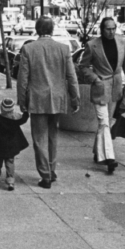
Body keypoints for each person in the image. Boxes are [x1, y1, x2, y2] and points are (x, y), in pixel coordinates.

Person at [17, 15, 80, 188]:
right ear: (52, 30)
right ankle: (51, 170)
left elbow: (23, 79)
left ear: (37, 30)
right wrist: (75, 98)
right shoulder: (63, 49)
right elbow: (71, 76)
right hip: (57, 98)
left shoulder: (29, 49)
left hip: (37, 99)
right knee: (53, 136)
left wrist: (22, 101)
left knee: (39, 138)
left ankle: (45, 174)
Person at [78, 16, 125, 175]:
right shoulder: (92, 45)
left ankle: (98, 153)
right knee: (104, 122)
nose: (111, 31)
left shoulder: (122, 42)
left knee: (106, 123)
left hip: (115, 88)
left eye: (113, 28)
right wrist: (95, 79)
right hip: (100, 87)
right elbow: (83, 67)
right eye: (108, 29)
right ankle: (110, 158)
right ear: (102, 30)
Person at [0, 98, 29, 191]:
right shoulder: (16, 119)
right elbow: (24, 118)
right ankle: (10, 181)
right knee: (10, 162)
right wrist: (26, 111)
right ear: (12, 109)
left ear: (1, 108)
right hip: (12, 146)